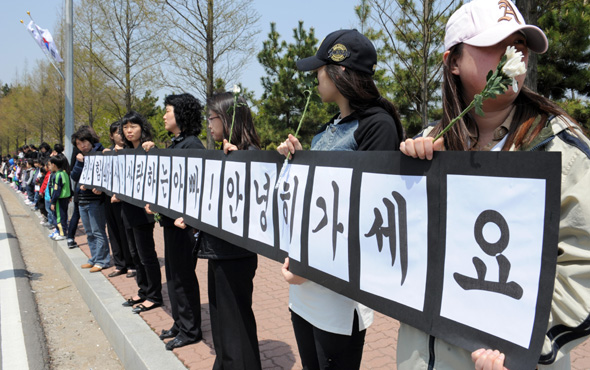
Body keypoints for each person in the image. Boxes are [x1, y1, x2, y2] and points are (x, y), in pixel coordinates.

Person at [397, 1, 590, 369]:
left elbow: (582, 267)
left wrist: (526, 345)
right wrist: (406, 173)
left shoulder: (562, 149)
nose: (512, 55)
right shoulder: (428, 143)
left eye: (520, 45)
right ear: (452, 61)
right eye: (494, 44)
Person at [277, 29, 404, 370]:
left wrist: (310, 267)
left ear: (341, 71)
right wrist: (299, 162)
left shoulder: (377, 125)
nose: (315, 77)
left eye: (320, 69)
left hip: (338, 291)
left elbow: (369, 214)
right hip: (304, 287)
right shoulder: (328, 128)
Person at [178, 90, 263, 369]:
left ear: (228, 118)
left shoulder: (249, 154)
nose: (209, 124)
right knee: (222, 321)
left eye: (212, 117)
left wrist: (241, 164)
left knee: (235, 322)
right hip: (218, 250)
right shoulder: (223, 153)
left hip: (235, 254)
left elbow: (255, 202)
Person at [142, 93, 205, 351]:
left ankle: (191, 330)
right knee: (174, 275)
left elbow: (195, 189)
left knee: (183, 277)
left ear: (181, 114)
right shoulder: (176, 144)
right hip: (170, 223)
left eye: (168, 111)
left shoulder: (193, 146)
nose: (165, 115)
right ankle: (180, 323)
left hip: (183, 226)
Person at [114, 111, 162, 314]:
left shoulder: (149, 149)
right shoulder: (124, 152)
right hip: (127, 208)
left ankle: (154, 295)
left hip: (143, 211)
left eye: (133, 126)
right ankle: (143, 290)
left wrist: (153, 150)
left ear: (142, 128)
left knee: (146, 254)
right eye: (125, 127)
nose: (129, 130)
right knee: (134, 254)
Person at [70, 126, 111, 273]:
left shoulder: (100, 154)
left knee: (98, 231)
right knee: (89, 232)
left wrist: (100, 188)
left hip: (96, 200)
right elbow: (74, 176)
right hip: (82, 199)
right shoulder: (80, 157)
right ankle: (94, 258)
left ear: (90, 141)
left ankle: (103, 260)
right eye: (79, 144)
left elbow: (106, 175)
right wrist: (79, 163)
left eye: (84, 142)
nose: (82, 146)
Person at [103, 121, 134, 278]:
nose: (121, 136)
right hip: (109, 198)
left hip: (125, 200)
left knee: (126, 232)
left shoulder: (131, 151)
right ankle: (119, 263)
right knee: (113, 231)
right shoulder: (107, 153)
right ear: (111, 136)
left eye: (123, 133)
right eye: (118, 133)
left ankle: (130, 264)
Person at [48, 154, 71, 241]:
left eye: (50, 164)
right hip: (65, 198)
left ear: (54, 165)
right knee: (62, 215)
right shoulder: (64, 173)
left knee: (59, 216)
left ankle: (62, 233)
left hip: (59, 199)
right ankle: (58, 231)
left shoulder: (57, 175)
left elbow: (57, 190)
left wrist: (53, 201)